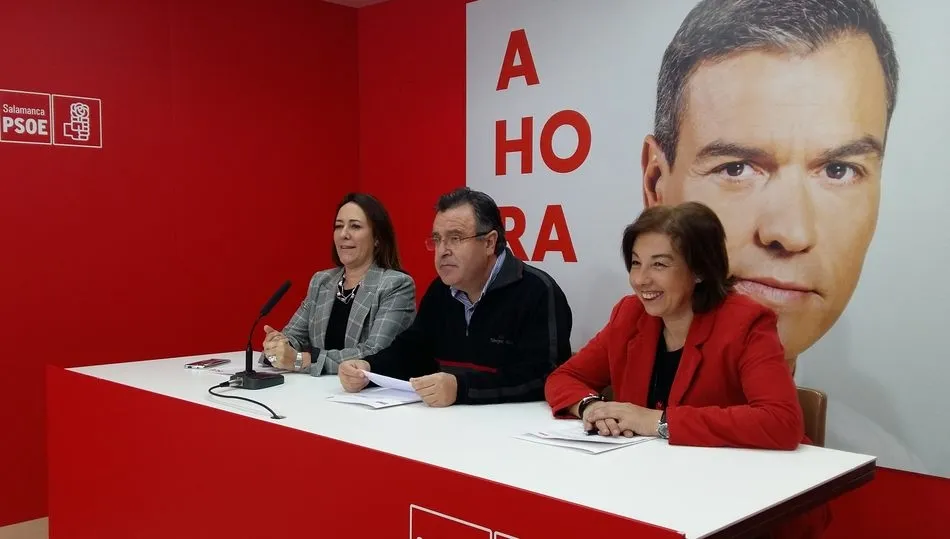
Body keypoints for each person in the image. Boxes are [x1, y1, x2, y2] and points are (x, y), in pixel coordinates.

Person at [640, 0, 899, 372]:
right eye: (736, 168)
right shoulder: (631, 330)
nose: (791, 233)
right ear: (657, 186)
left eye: (839, 170)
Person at [544, 202, 826, 539]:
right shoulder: (630, 315)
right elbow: (564, 378)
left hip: (743, 505)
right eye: (636, 263)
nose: (640, 279)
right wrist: (591, 407)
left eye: (659, 265)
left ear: (700, 270)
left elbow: (781, 422)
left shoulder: (746, 322)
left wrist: (659, 422)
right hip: (653, 492)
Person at [337, 187, 573, 406]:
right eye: (437, 239)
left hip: (516, 433)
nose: (443, 250)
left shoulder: (537, 291)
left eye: (455, 238)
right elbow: (412, 351)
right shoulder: (440, 291)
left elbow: (544, 377)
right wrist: (369, 368)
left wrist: (461, 389)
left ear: (489, 242)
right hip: (450, 427)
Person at [261, 193, 416, 375]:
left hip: (367, 393)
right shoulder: (322, 281)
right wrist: (278, 346)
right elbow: (295, 336)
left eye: (355, 226)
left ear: (377, 238)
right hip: (318, 391)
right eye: (338, 226)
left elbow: (374, 352)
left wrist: (303, 360)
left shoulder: (396, 285)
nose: (344, 234)